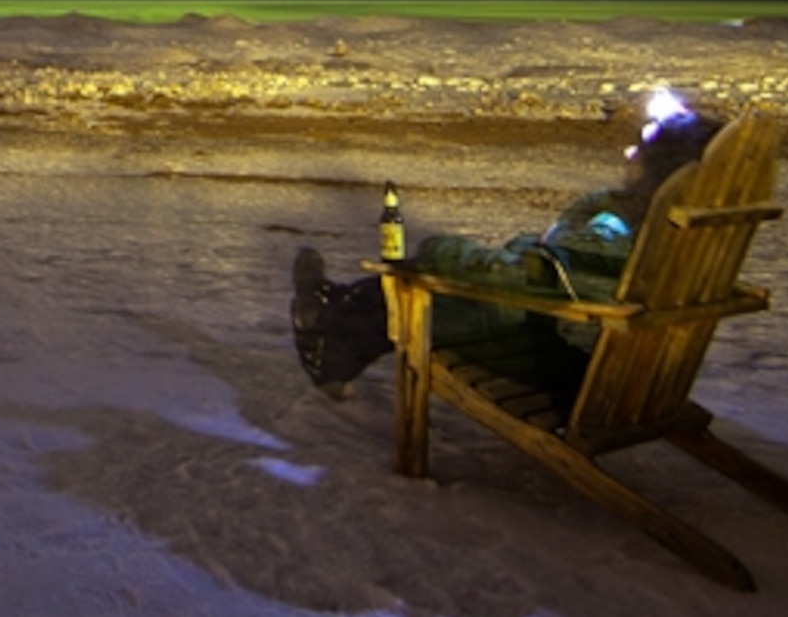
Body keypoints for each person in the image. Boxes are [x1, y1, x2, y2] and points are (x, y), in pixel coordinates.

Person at [289, 90, 723, 395]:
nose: (629, 157)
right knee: (420, 290)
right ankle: (332, 306)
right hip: (621, 357)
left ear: (659, 171)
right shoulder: (678, 227)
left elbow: (531, 275)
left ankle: (327, 339)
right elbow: (561, 269)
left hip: (567, 357)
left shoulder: (615, 228)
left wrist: (442, 250)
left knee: (422, 294)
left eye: (639, 152)